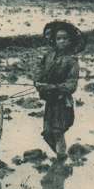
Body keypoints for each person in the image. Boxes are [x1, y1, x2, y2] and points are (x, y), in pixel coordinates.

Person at [33, 21, 83, 161]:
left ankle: (61, 159)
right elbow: (40, 71)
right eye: (58, 38)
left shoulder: (72, 61)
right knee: (47, 133)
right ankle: (61, 156)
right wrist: (37, 82)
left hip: (62, 101)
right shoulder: (48, 56)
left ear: (70, 41)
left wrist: (53, 87)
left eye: (65, 38)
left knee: (58, 131)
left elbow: (71, 85)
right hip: (50, 101)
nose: (61, 41)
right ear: (54, 40)